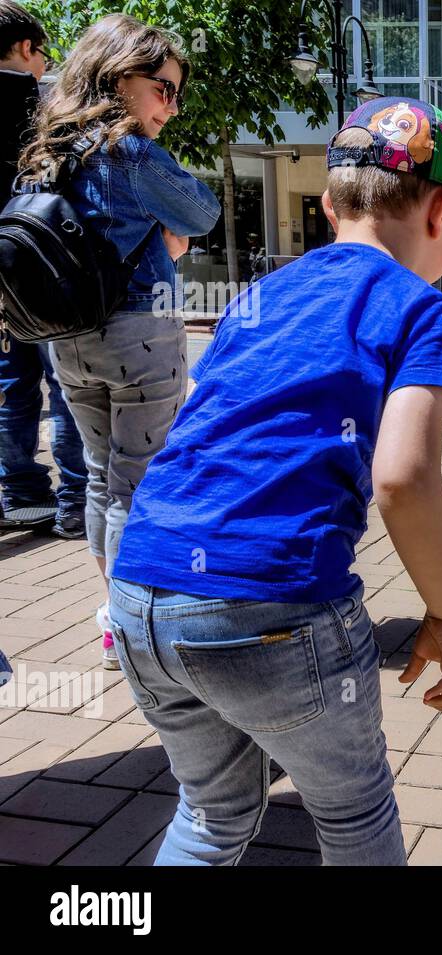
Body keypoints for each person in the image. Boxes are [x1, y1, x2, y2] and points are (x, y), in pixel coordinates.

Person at [105, 96, 442, 864]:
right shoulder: (422, 309)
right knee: (355, 815)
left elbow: (205, 429)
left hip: (139, 590)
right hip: (272, 605)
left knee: (212, 813)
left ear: (328, 206)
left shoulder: (258, 298)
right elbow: (404, 477)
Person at [18, 14, 221, 668]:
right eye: (163, 88)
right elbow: (203, 212)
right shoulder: (128, 152)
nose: (172, 106)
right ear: (119, 75)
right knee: (143, 483)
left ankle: (114, 615)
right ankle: (139, 632)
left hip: (67, 339)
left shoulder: (46, 147)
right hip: (138, 332)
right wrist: (169, 226)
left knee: (104, 479)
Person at [0, 0, 87, 538]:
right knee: (63, 381)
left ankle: (20, 491)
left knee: (12, 382)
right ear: (28, 48)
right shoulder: (43, 106)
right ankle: (76, 499)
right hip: (41, 264)